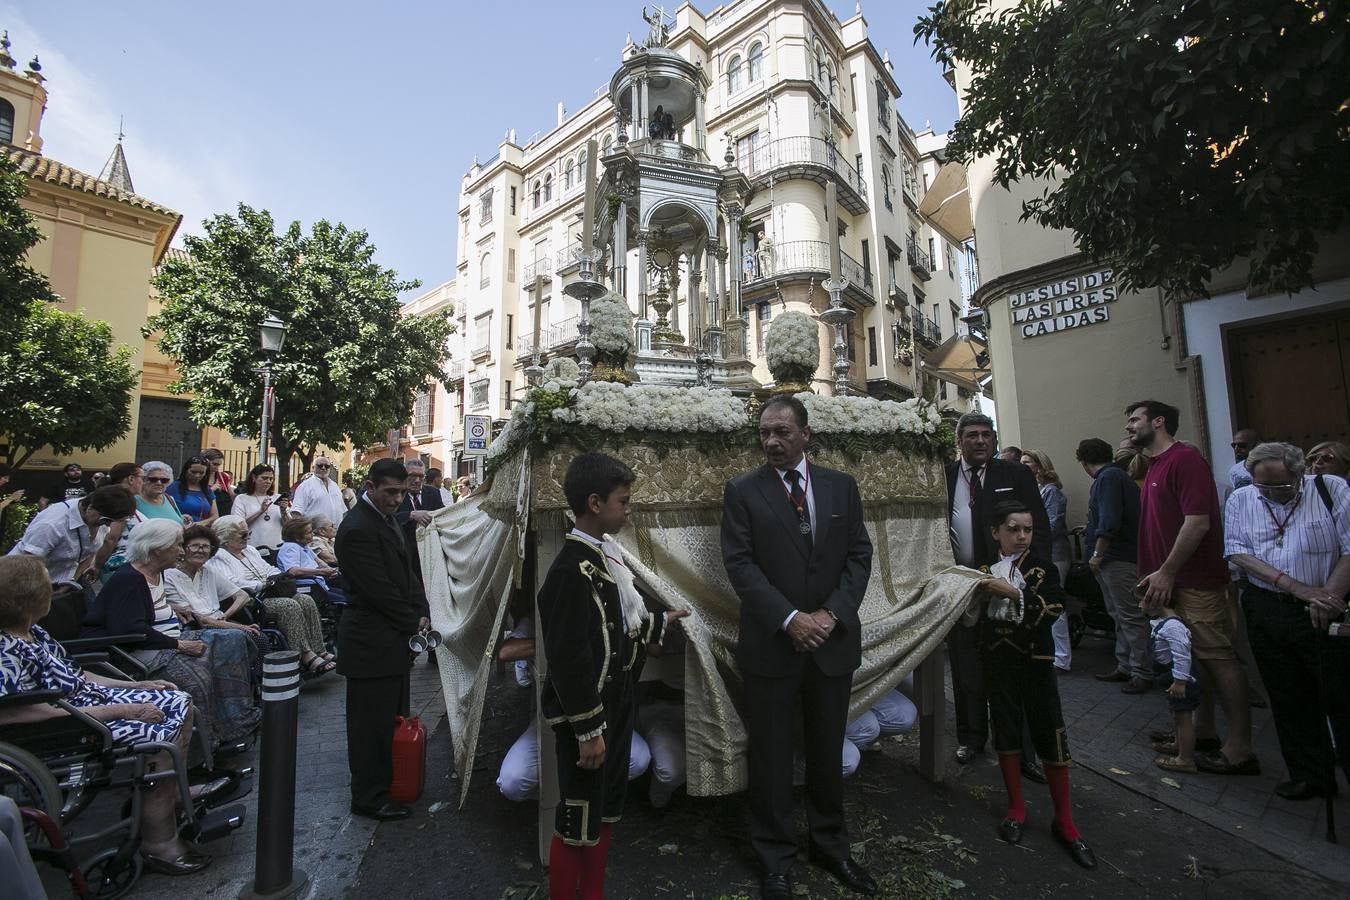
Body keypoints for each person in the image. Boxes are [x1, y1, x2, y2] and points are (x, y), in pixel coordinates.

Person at [722, 397, 876, 900]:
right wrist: (790, 620)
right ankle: (775, 858)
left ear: (806, 434)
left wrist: (830, 615)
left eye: (782, 432)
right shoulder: (743, 491)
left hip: (830, 645)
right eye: (765, 433)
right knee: (769, 757)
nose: (772, 442)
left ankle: (831, 846)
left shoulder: (840, 487)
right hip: (773, 646)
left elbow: (858, 555)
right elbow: (740, 565)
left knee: (826, 751)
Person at [0, 556, 213, 876]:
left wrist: (138, 684)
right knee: (158, 729)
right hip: (65, 724)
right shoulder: (5, 649)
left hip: (84, 704)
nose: (53, 590)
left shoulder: (32, 632)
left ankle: (171, 794)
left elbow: (77, 675)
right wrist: (124, 709)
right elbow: (17, 710)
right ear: (29, 596)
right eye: (48, 586)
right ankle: (159, 841)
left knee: (176, 698)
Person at [539, 452, 687, 900]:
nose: (629, 509)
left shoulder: (606, 558)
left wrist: (660, 622)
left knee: (604, 812)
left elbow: (621, 626)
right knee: (578, 816)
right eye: (624, 501)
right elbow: (568, 658)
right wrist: (588, 730)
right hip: (590, 715)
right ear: (596, 503)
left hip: (617, 704)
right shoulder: (570, 570)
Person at [1127, 399, 1257, 776]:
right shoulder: (1154, 464)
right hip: (1166, 582)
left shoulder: (1185, 460)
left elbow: (1197, 522)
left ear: (1159, 422)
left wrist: (1167, 571)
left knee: (1217, 659)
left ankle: (1240, 748)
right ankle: (1202, 731)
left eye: (1135, 420)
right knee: (1193, 661)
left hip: (1194, 581)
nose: (1129, 427)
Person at [971, 501, 1095, 869]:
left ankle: (1065, 821)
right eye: (1013, 529)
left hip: (1035, 662)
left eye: (1027, 529)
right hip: (997, 661)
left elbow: (1052, 608)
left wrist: (1011, 593)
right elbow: (969, 613)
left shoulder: (1044, 570)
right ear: (996, 532)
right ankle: (1015, 808)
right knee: (1005, 727)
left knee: (1049, 731)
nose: (1021, 536)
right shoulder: (982, 571)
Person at [1225, 442, 1350, 799]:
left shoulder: (1329, 489)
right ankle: (1310, 773)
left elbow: (1349, 546)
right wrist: (1294, 587)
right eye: (1262, 485)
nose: (1271, 494)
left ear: (1299, 474)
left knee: (1340, 694)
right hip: (1269, 605)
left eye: (1280, 486)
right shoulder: (1243, 499)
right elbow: (1237, 550)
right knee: (1286, 692)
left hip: (1324, 606)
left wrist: (1330, 595)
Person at [83, 519, 260, 750]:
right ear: (157, 549)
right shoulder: (129, 580)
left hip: (169, 636)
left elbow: (149, 606)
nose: (180, 550)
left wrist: (175, 609)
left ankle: (235, 720)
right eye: (176, 545)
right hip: (142, 651)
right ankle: (205, 746)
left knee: (235, 642)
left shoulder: (156, 573)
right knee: (199, 676)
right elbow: (131, 630)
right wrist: (180, 645)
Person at [945, 412, 1049, 778]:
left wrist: (1030, 580)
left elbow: (1039, 528)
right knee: (966, 665)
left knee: (1012, 670)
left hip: (1007, 585)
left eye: (986, 435)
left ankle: (1023, 750)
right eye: (972, 435)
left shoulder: (1015, 475)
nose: (980, 441)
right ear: (960, 441)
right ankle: (971, 737)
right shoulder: (944, 476)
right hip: (960, 586)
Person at [335, 458, 427, 821]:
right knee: (369, 727)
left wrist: (421, 608)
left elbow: (406, 572)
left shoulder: (386, 520)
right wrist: (411, 620)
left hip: (391, 639)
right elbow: (378, 590)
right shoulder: (357, 527)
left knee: (391, 717)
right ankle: (368, 797)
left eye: (402, 492)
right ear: (370, 488)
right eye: (390, 492)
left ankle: (389, 784)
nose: (397, 499)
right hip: (370, 642)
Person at [207, 516, 335, 675]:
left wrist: (276, 577)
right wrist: (262, 584)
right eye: (243, 534)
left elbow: (269, 569)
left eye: (248, 533)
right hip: (252, 600)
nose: (248, 537)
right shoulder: (219, 556)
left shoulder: (250, 551)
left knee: (305, 599)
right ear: (225, 538)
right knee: (289, 605)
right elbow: (230, 582)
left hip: (271, 591)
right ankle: (304, 655)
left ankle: (318, 648)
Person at [1074, 438, 1154, 692]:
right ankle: (1126, 665)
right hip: (1117, 557)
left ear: (1084, 462)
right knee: (1118, 614)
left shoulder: (1108, 479)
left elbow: (1110, 519)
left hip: (1117, 558)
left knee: (1129, 615)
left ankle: (1142, 671)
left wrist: (1098, 553)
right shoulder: (1116, 477)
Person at [165, 525, 269, 682]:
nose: (200, 550)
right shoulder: (170, 575)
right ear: (184, 549)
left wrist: (225, 616)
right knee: (252, 636)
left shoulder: (208, 571)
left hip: (219, 622)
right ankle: (247, 688)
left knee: (258, 637)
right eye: (194, 545)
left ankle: (258, 686)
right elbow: (200, 618)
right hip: (196, 626)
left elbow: (242, 595)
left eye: (205, 547)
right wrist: (241, 626)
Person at [6, 485, 136, 584]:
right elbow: (28, 565)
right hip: (22, 584)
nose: (108, 526)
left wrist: (72, 581)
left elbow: (89, 551)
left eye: (114, 521)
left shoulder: (98, 517)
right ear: (90, 507)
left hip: (63, 584)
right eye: (106, 520)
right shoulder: (52, 524)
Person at [1020, 449, 1072, 673]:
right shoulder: (1034, 489)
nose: (1022, 466)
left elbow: (1050, 525)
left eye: (1027, 462)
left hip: (1055, 554)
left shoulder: (1051, 491)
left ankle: (1062, 657)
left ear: (1039, 466)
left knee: (1054, 603)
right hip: (1039, 552)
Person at [1150, 608, 1201, 774]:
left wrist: (1180, 681)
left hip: (1180, 681)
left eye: (1142, 600)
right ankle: (1177, 744)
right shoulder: (1163, 623)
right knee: (1177, 716)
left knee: (1184, 718)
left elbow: (1182, 655)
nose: (1139, 605)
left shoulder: (1173, 627)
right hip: (1171, 678)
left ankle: (1185, 759)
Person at [277, 517, 346, 604]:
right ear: (297, 537)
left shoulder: (303, 545)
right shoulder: (290, 547)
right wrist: (321, 572)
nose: (313, 534)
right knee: (348, 600)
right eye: (309, 533)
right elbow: (293, 571)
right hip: (308, 586)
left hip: (320, 584)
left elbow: (319, 562)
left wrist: (331, 571)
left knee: (351, 594)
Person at [230, 464, 290, 554]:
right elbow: (237, 525)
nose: (268, 481)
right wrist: (260, 511)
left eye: (271, 479)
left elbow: (289, 526)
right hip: (252, 549)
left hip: (277, 548)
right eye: (264, 478)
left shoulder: (277, 498)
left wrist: (283, 512)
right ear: (254, 478)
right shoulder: (242, 498)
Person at [291, 456, 347, 527]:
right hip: (315, 534)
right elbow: (296, 513)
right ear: (313, 467)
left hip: (336, 533)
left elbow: (342, 511)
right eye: (320, 465)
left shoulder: (334, 486)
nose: (323, 468)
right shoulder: (305, 486)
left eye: (327, 466)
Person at [395, 458, 444, 539]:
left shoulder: (433, 492)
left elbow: (441, 515)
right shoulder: (396, 492)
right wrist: (410, 515)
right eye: (412, 476)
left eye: (421, 476)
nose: (417, 480)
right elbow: (387, 518)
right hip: (403, 544)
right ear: (404, 475)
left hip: (429, 544)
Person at [166, 456, 220, 526]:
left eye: (201, 473)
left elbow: (215, 516)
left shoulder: (207, 490)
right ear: (186, 470)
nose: (197, 475)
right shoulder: (172, 487)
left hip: (199, 530)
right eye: (193, 472)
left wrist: (202, 523)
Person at [137, 461, 190, 525]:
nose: (159, 483)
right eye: (153, 479)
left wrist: (181, 518)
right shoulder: (133, 501)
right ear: (144, 479)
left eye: (164, 480)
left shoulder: (169, 499)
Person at [202, 448, 234, 516]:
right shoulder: (199, 477)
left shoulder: (223, 477)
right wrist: (211, 490)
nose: (217, 467)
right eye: (214, 464)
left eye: (219, 465)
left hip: (222, 513)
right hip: (204, 514)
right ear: (205, 461)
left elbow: (231, 495)